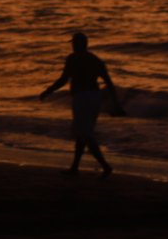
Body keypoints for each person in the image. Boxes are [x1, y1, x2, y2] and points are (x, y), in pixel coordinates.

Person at [40, 31, 119, 178]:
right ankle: (75, 167)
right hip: (95, 98)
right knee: (82, 133)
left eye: (74, 43)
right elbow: (109, 83)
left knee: (85, 134)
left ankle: (105, 166)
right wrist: (116, 104)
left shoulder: (73, 59)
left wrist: (48, 91)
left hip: (82, 98)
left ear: (79, 44)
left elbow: (63, 79)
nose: (73, 46)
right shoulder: (96, 60)